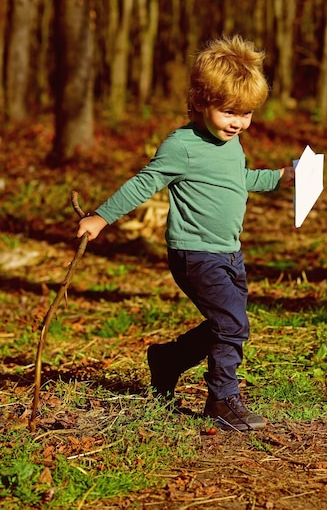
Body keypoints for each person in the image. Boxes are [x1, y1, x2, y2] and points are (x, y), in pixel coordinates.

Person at [77, 35, 295, 431]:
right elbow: (144, 183)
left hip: (229, 251)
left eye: (246, 113)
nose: (239, 122)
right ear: (199, 101)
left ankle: (169, 359)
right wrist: (101, 217)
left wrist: (282, 176)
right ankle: (222, 400)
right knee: (232, 324)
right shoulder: (182, 145)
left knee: (226, 322)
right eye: (230, 111)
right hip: (195, 254)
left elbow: (238, 179)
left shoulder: (231, 142)